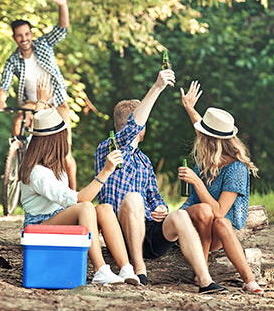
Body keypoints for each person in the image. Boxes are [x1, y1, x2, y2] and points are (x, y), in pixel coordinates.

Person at [95, 70, 227, 293]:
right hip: (121, 232)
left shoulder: (144, 161)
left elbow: (154, 196)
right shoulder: (108, 148)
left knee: (179, 215)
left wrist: (161, 207)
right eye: (143, 122)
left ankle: (205, 280)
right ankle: (139, 270)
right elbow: (133, 129)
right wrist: (157, 87)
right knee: (134, 198)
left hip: (148, 230)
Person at [18, 107, 139, 285]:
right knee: (86, 207)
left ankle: (126, 268)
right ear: (53, 141)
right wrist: (105, 172)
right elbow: (81, 199)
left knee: (105, 209)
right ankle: (100, 270)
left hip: (56, 219)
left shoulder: (53, 166)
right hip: (38, 226)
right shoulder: (39, 173)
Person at [177, 80, 264, 293]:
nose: (199, 138)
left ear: (211, 141)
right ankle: (203, 271)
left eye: (203, 136)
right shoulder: (208, 157)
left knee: (221, 222)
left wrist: (196, 181)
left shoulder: (236, 169)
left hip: (217, 229)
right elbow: (204, 130)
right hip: (192, 222)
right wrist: (190, 109)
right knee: (204, 210)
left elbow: (219, 212)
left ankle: (249, 281)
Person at [0, 0, 77, 190]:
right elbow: (3, 84)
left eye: (27, 34)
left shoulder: (44, 45)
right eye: (20, 36)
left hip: (56, 103)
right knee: (18, 120)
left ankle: (74, 195)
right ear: (14, 38)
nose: (25, 39)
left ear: (31, 33)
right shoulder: (13, 60)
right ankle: (19, 151)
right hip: (32, 103)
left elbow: (62, 29)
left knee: (65, 154)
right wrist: (0, 99)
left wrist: (62, 5)